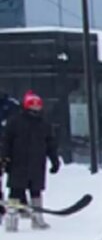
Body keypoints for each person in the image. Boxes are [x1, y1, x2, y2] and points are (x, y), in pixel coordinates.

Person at [2, 91, 59, 232]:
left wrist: (54, 160)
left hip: (36, 163)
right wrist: (4, 158)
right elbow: (6, 142)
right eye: (32, 105)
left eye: (37, 105)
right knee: (15, 192)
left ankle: (37, 218)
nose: (35, 108)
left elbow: (50, 144)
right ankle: (12, 219)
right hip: (17, 163)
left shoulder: (44, 124)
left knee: (36, 191)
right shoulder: (14, 122)